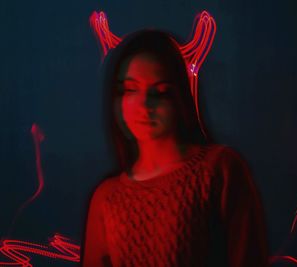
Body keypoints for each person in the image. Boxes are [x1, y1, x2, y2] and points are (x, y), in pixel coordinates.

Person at [82, 29, 269, 267]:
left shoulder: (219, 170)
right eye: (130, 89)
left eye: (159, 93)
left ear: (178, 97)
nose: (144, 105)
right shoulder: (106, 199)